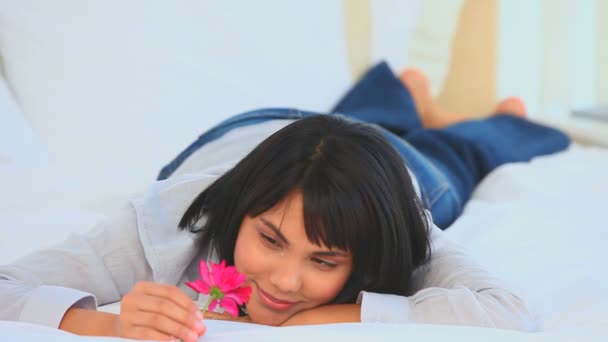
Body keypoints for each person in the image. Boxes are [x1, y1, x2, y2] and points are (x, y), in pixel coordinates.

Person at [0, 62, 569, 342]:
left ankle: (485, 117)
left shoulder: (397, 226)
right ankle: (399, 92)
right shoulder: (168, 218)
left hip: (391, 161)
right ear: (239, 212)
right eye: (270, 239)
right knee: (336, 136)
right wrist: (104, 324)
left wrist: (325, 315)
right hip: (250, 133)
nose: (285, 282)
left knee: (452, 157)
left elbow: (509, 314)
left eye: (324, 261)